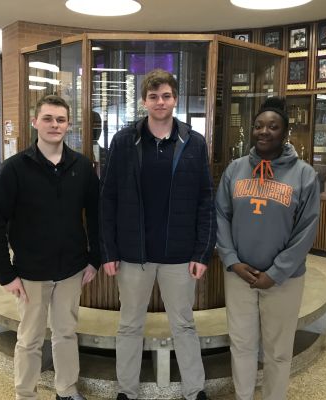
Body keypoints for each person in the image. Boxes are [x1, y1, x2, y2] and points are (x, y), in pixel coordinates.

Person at [99, 69, 216, 400]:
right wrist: (108, 252)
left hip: (180, 256)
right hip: (133, 255)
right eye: (153, 97)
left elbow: (206, 200)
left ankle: (195, 391)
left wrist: (202, 252)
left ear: (175, 99)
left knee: (184, 325)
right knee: (130, 325)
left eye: (166, 96)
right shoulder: (124, 142)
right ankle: (127, 391)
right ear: (143, 101)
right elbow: (107, 199)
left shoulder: (193, 143)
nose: (160, 102)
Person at [0, 95, 99, 400]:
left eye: (60, 119)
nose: (54, 125)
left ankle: (67, 390)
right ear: (35, 122)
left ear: (68, 125)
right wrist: (5, 274)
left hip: (72, 270)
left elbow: (97, 216)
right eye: (47, 118)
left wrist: (95, 258)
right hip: (30, 273)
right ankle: (25, 393)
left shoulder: (82, 166)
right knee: (30, 339)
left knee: (65, 334)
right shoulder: (14, 169)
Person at [215, 97, 320, 400]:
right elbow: (221, 215)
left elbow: (306, 230)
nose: (264, 131)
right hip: (239, 277)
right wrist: (232, 261)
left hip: (284, 281)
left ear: (285, 132)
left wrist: (276, 273)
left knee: (277, 350)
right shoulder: (235, 171)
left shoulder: (304, 176)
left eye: (273, 127)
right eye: (259, 126)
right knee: (242, 345)